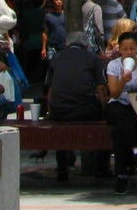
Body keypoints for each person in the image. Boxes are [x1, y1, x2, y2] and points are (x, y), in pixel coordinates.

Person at [43, 29, 105, 181]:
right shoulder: (93, 58)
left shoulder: (57, 57)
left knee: (59, 129)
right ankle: (100, 168)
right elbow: (100, 88)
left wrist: (50, 110)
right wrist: (105, 108)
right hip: (85, 110)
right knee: (103, 124)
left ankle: (62, 168)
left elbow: (50, 89)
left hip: (59, 111)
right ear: (86, 45)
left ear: (67, 44)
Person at [103, 30, 137, 195]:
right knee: (120, 113)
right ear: (120, 50)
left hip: (135, 106)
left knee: (118, 132)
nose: (129, 52)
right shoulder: (113, 65)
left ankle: (121, 176)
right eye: (125, 49)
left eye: (132, 48)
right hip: (117, 105)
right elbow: (114, 93)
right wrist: (124, 79)